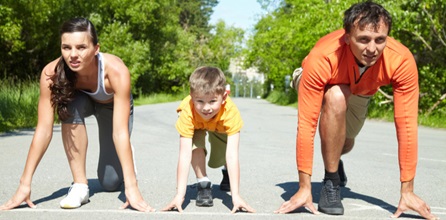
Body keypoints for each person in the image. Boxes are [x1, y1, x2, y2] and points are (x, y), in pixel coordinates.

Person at [274, 1, 438, 219]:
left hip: (362, 89)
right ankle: (331, 182)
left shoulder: (401, 60)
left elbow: (407, 126)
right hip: (319, 80)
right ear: (347, 37)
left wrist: (407, 190)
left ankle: (335, 158)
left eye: (380, 40)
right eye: (363, 40)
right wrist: (304, 187)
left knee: (345, 142)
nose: (372, 49)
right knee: (336, 95)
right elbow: (306, 124)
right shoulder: (323, 56)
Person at [0, 18, 154, 212]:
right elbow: (44, 130)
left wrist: (132, 188)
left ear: (96, 48)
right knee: (70, 104)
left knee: (110, 182)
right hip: (81, 103)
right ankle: (80, 185)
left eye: (81, 47)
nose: (73, 55)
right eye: (66, 47)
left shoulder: (116, 71)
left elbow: (119, 132)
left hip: (112, 107)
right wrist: (24, 184)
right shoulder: (51, 73)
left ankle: (126, 156)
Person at [162, 66, 255, 213]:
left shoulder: (230, 112)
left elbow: (232, 155)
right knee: (194, 145)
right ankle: (203, 182)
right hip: (196, 125)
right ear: (191, 97)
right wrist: (179, 195)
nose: (206, 108)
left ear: (224, 97)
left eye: (212, 101)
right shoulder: (188, 111)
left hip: (220, 127)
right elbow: (184, 155)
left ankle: (226, 173)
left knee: (224, 151)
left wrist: (235, 196)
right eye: (200, 101)